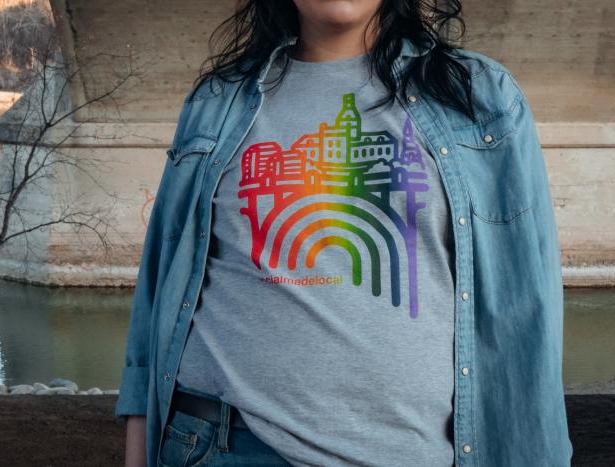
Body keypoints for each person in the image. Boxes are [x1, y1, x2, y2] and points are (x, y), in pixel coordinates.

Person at [116, 1, 574, 466]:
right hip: (226, 446)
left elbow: (527, 308)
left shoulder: (479, 94)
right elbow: (157, 289)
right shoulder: (215, 102)